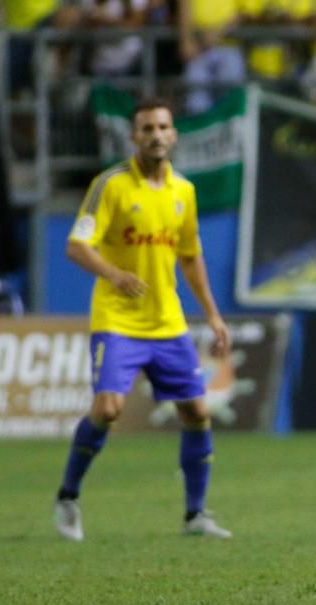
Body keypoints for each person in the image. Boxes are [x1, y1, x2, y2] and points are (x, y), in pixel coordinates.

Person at [54, 97, 233, 541]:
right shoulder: (110, 185)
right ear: (133, 136)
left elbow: (190, 258)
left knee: (195, 411)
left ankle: (195, 516)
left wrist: (213, 316)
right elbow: (77, 246)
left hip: (167, 322)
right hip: (117, 319)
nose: (155, 135)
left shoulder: (183, 192)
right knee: (108, 407)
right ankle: (68, 495)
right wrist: (114, 274)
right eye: (147, 128)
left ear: (174, 135)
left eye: (163, 127)